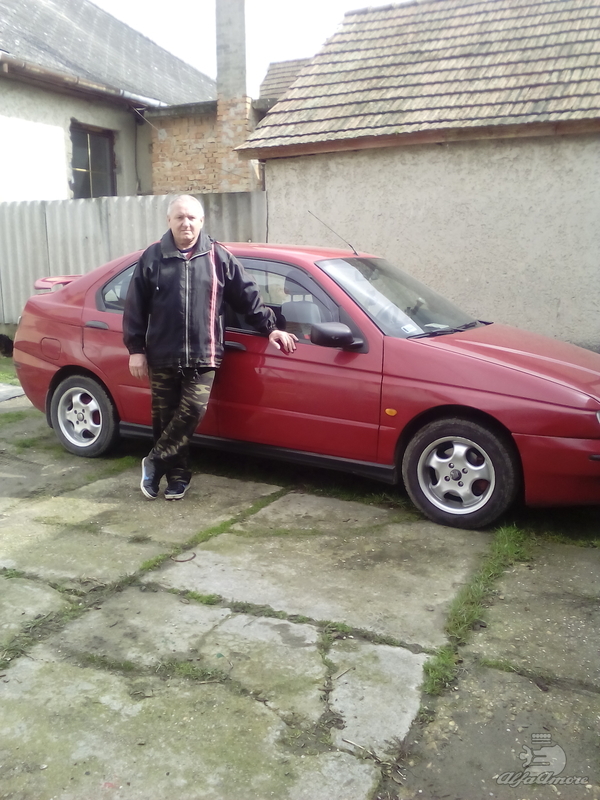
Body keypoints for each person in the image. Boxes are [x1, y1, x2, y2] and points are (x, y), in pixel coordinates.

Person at [123, 194, 297, 501]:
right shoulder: (152, 257)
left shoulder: (219, 257)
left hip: (204, 354)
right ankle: (178, 478)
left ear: (201, 221)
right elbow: (135, 305)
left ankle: (154, 461)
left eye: (192, 217)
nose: (186, 223)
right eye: (179, 217)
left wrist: (270, 328)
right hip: (162, 354)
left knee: (192, 411)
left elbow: (247, 297)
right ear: (169, 221)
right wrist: (135, 348)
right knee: (166, 419)